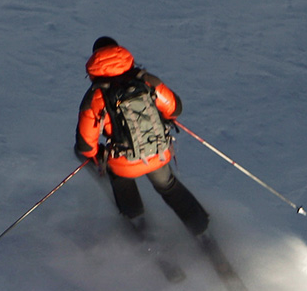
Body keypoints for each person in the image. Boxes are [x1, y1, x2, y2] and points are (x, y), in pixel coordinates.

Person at [75, 38, 212, 238]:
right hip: (157, 154)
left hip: (123, 162)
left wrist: (98, 155)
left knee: (119, 178)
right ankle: (202, 230)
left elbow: (86, 147)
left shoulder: (95, 97)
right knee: (168, 186)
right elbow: (175, 108)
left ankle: (139, 223)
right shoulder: (145, 80)